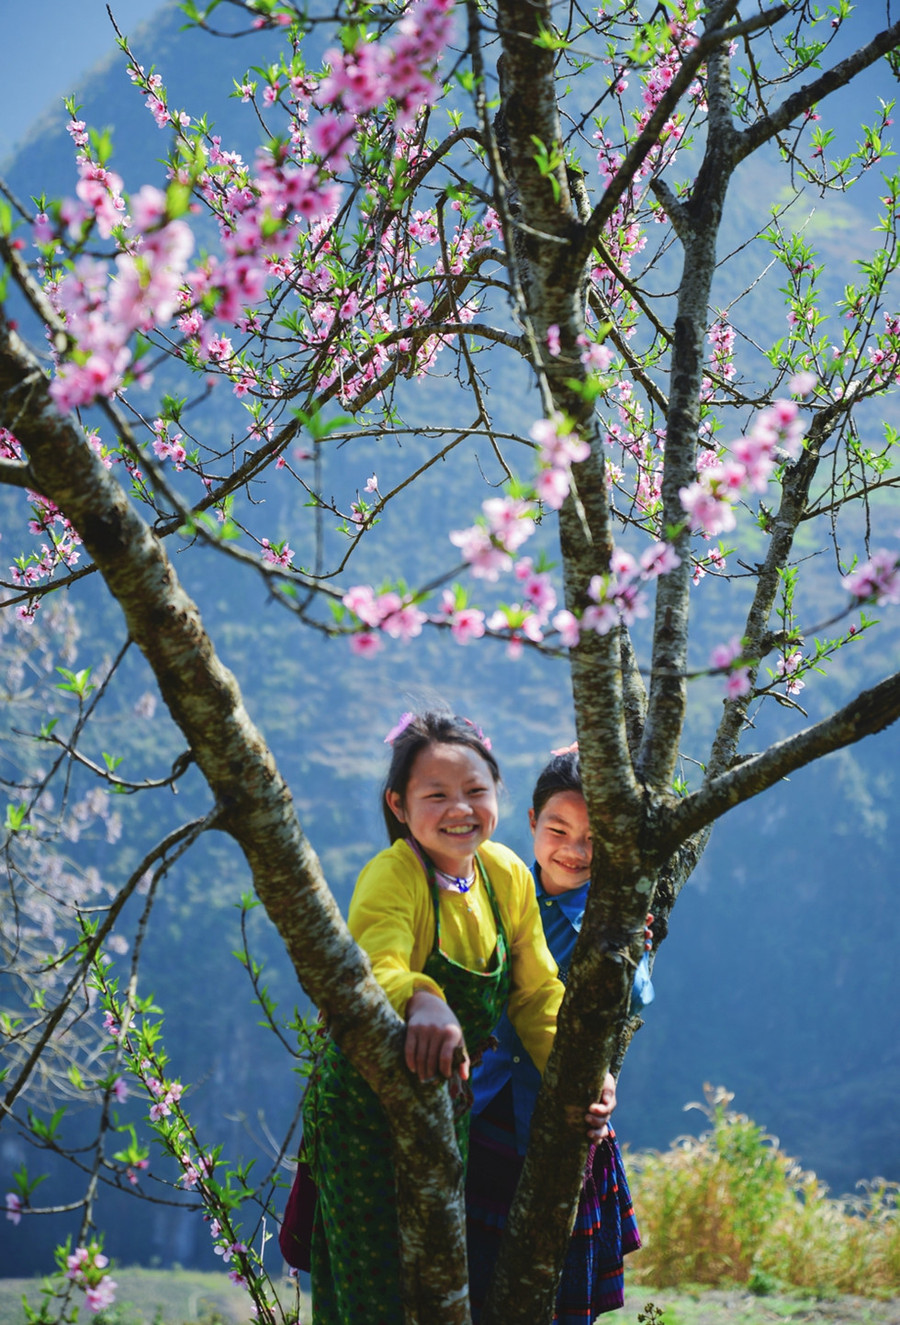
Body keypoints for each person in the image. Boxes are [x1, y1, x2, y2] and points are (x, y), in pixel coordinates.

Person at [299, 711, 612, 1325]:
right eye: (436, 794)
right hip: (366, 1119)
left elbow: (536, 993)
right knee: (377, 1293)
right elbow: (372, 966)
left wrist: (581, 1074)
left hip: (446, 1113)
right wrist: (421, 996)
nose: (460, 809)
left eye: (475, 791)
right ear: (398, 803)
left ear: (498, 795)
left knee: (442, 1287)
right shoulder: (394, 875)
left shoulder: (505, 876)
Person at [466, 747, 652, 1324]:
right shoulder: (494, 894)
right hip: (484, 1110)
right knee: (470, 1274)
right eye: (559, 829)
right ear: (531, 823)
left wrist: (629, 942)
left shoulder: (610, 916)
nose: (574, 850)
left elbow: (635, 996)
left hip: (562, 1122)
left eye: (594, 838)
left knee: (550, 1293)